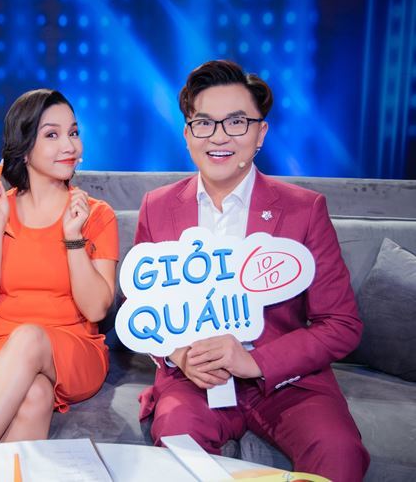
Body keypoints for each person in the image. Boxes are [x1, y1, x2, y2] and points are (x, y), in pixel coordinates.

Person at [136, 60, 369, 480]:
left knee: (340, 452)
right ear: (188, 135)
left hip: (285, 382)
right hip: (194, 382)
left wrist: (255, 361)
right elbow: (142, 311)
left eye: (236, 122)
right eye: (204, 123)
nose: (219, 136)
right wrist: (180, 354)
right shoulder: (157, 207)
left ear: (260, 133)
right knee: (174, 442)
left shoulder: (304, 209)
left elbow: (341, 324)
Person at [0, 89, 119, 450]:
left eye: (73, 132)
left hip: (75, 350)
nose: (69, 145)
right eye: (52, 135)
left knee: (30, 337)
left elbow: (96, 309)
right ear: (25, 148)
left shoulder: (97, 215)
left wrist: (73, 237)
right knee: (34, 396)